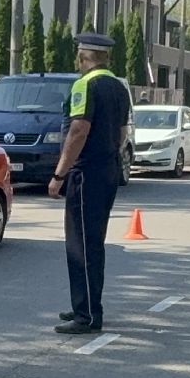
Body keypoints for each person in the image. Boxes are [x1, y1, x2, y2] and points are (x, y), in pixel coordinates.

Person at [49, 33, 132, 335]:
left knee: (80, 244)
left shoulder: (85, 84)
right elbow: (122, 133)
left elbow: (78, 130)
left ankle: (86, 315)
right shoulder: (119, 87)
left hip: (86, 173)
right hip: (108, 168)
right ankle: (86, 303)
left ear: (84, 56)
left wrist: (60, 174)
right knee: (93, 242)